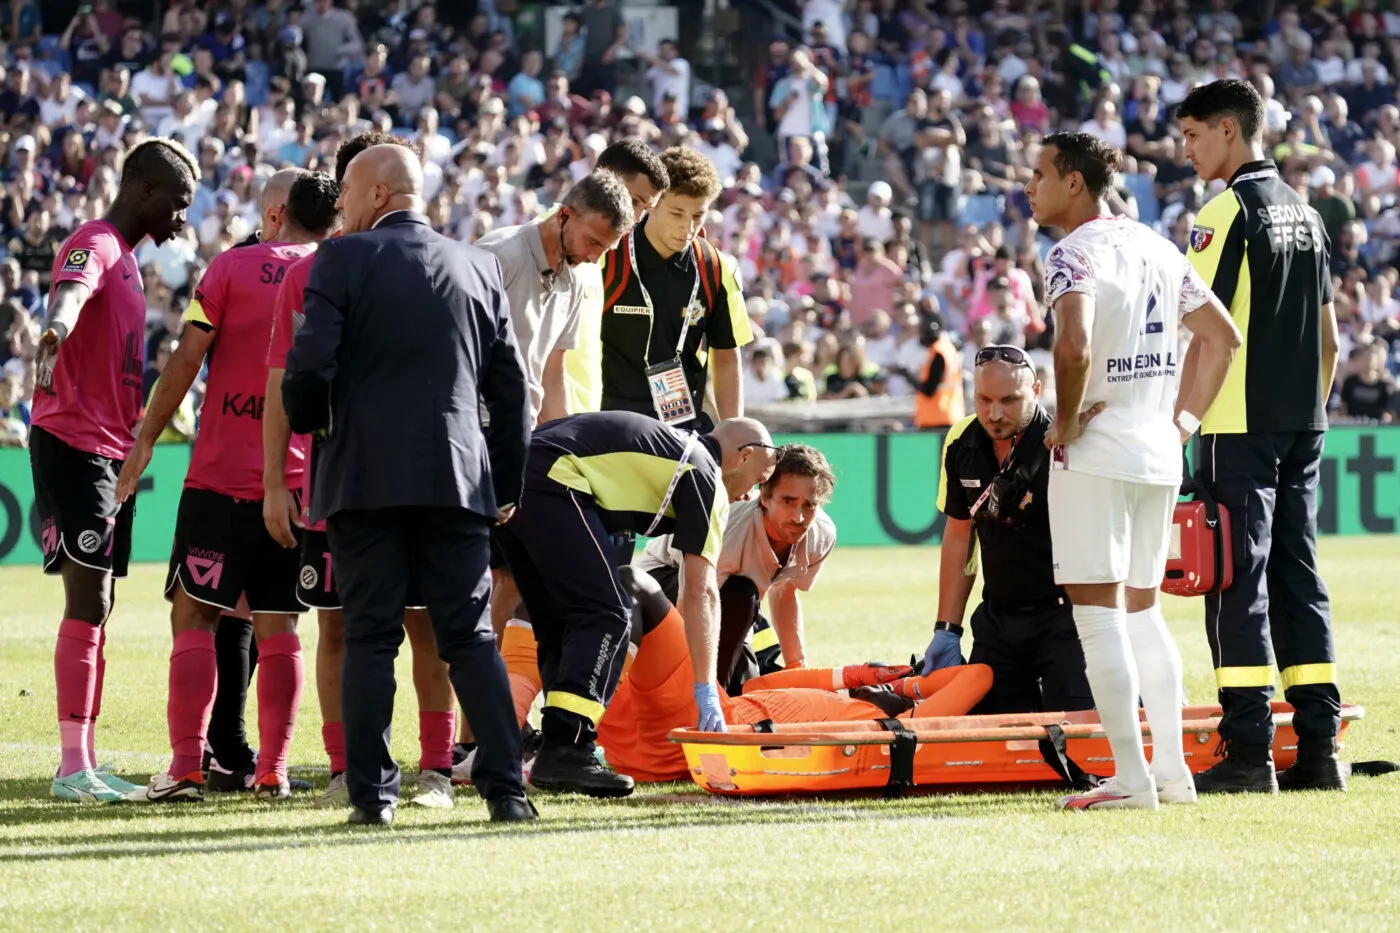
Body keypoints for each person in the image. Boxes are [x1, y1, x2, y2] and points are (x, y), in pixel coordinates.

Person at [282, 144, 536, 826]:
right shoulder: (478, 265)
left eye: (344, 199)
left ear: (372, 195)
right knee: (469, 638)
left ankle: (373, 799)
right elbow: (511, 392)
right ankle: (507, 794)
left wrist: (314, 425)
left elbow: (307, 370)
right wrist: (504, 483)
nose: (339, 211)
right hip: (457, 479)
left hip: (362, 478)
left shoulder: (339, 258)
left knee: (369, 637)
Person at [1027, 131, 1241, 810]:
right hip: (1157, 453)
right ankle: (1173, 774)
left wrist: (1062, 421)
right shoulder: (1157, 245)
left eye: (1038, 175)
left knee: (1099, 618)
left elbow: (1074, 345)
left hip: (1097, 454)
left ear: (1074, 183)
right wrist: (1182, 423)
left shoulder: (1072, 252)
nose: (1028, 187)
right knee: (1145, 614)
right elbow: (1222, 337)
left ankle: (1130, 778)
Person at [115, 168, 339, 803]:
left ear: (273, 214)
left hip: (219, 476)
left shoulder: (228, 270)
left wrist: (147, 437)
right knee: (279, 627)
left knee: (193, 613)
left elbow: (187, 359)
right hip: (299, 482)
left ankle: (187, 766)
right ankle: (273, 770)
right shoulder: (337, 272)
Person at [263, 132, 465, 812]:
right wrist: (273, 480)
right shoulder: (305, 274)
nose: (342, 201)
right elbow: (279, 385)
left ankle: (435, 769)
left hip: (412, 481)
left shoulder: (425, 263)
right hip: (336, 485)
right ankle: (347, 768)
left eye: (350, 189)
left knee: (427, 626)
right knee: (337, 626)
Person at [1178, 79, 1346, 793]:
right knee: (1299, 580)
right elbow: (1331, 343)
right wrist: (1309, 408)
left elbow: (1205, 333)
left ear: (1227, 129)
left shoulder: (1224, 212)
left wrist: (1180, 421)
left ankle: (1248, 752)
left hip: (1235, 426)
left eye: (1191, 135)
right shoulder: (1308, 216)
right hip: (1302, 421)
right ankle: (1319, 751)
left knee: (1235, 584)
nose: (1186, 150)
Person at [29, 137, 197, 804]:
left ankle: (85, 762)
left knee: (101, 601)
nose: (184, 218)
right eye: (179, 204)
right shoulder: (96, 242)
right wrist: (54, 330)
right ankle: (72, 766)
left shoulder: (128, 260)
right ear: (147, 192)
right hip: (73, 441)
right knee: (88, 597)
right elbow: (70, 292)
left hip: (107, 446)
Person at [493, 412, 779, 797]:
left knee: (559, 623)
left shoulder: (671, 446)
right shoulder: (705, 470)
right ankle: (568, 748)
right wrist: (705, 688)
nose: (749, 496)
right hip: (551, 479)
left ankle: (551, 751)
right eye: (759, 481)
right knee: (608, 614)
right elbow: (701, 591)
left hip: (511, 475)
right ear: (743, 456)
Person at [918, 345, 1094, 716]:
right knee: (993, 742)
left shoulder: (1065, 441)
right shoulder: (960, 440)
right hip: (999, 620)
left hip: (1067, 617)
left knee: (1083, 744)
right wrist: (947, 628)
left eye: (1009, 400)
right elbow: (959, 534)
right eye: (983, 399)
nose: (994, 414)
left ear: (1037, 390)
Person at [638, 443, 837, 694]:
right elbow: (692, 601)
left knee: (750, 685)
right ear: (764, 495)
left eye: (809, 505)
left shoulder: (821, 534)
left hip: (729, 594)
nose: (798, 518)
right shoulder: (730, 531)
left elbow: (785, 593)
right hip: (664, 581)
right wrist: (699, 689)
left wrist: (797, 667)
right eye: (788, 501)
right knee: (743, 597)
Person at [598, 146, 751, 431]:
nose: (688, 228)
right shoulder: (608, 254)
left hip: (682, 425)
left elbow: (727, 357)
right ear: (653, 203)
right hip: (608, 423)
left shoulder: (717, 268)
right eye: (677, 213)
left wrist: (733, 432)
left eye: (698, 215)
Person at [562, 139, 670, 416]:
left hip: (577, 422)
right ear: (603, 180)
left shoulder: (599, 254)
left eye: (644, 209)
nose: (634, 217)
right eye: (634, 201)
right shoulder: (556, 245)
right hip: (548, 427)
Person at [912, 313, 965, 429]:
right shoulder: (948, 349)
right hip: (950, 415)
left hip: (937, 419)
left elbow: (929, 389)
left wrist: (907, 376)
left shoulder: (939, 352)